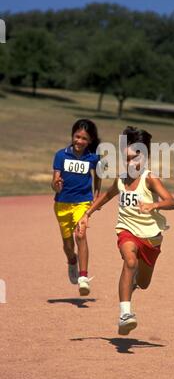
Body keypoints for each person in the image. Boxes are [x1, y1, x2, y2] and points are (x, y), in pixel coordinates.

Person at [78, 126, 174, 335]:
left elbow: (172, 202)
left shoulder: (150, 179)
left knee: (143, 282)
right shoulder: (121, 180)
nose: (131, 163)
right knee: (129, 261)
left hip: (151, 237)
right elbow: (106, 197)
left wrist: (154, 205)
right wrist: (87, 214)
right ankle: (125, 314)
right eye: (127, 158)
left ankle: (133, 283)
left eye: (136, 158)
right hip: (127, 231)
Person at [51, 119, 101, 296]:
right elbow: (54, 182)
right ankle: (72, 260)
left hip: (83, 202)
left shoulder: (94, 158)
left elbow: (98, 178)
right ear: (72, 136)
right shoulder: (60, 155)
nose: (79, 141)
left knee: (81, 233)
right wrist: (56, 184)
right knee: (67, 245)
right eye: (77, 137)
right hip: (62, 204)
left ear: (90, 141)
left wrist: (96, 196)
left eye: (84, 138)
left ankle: (83, 277)